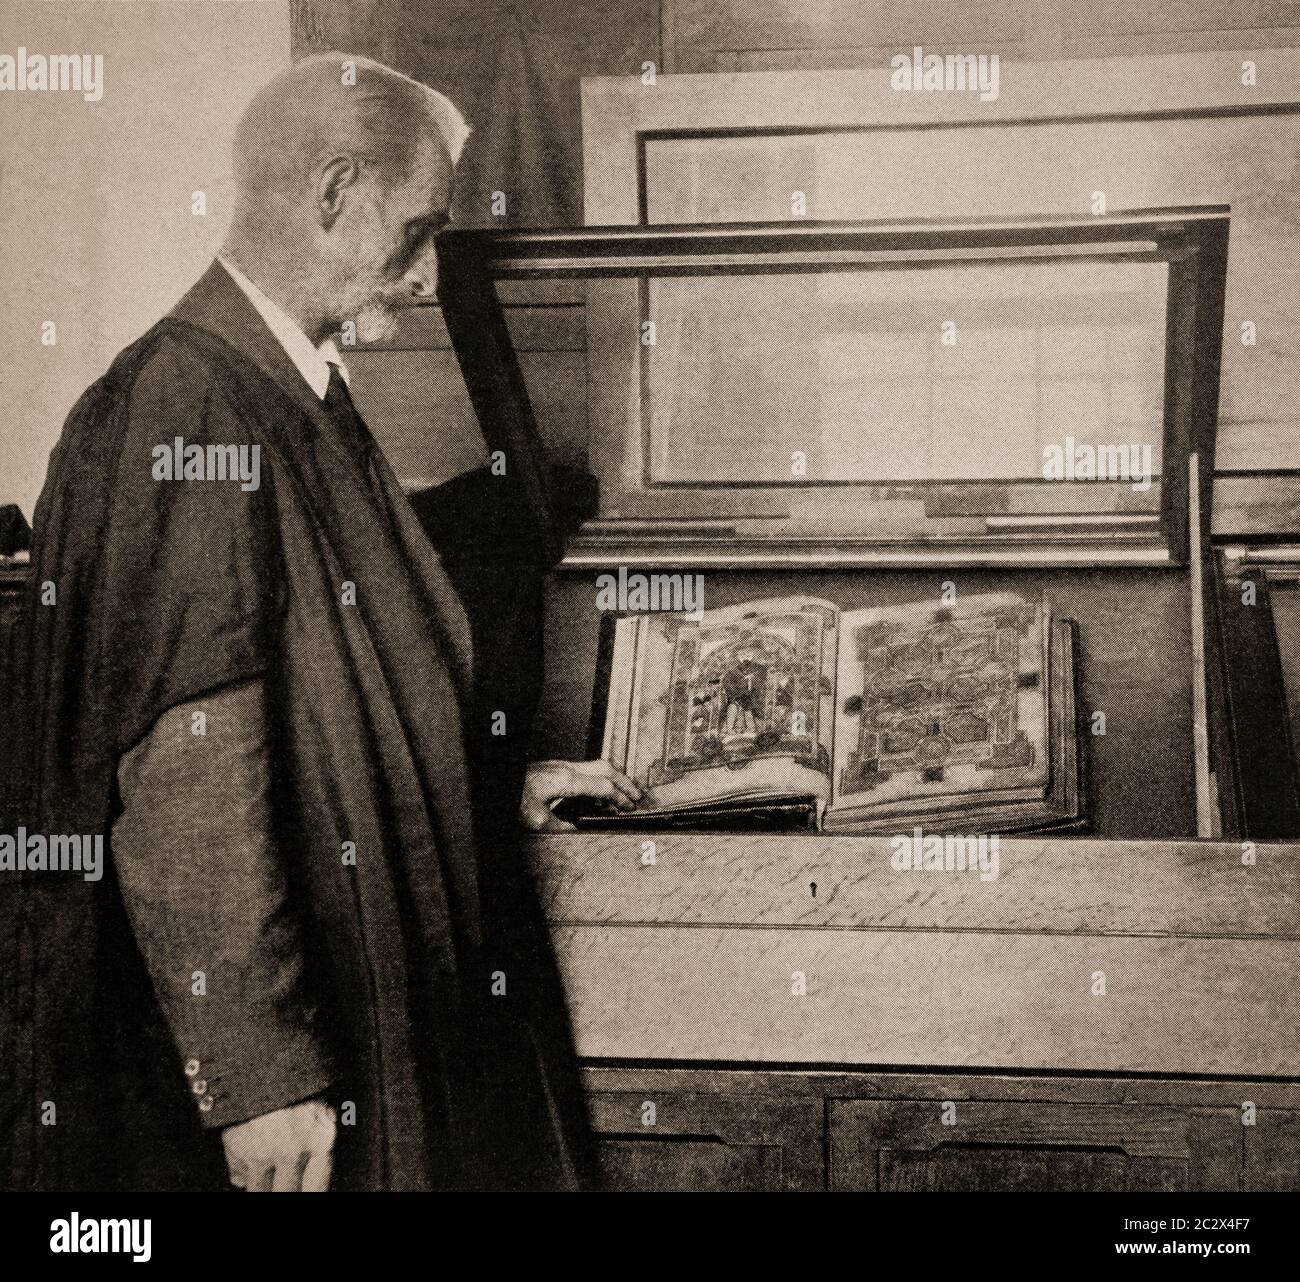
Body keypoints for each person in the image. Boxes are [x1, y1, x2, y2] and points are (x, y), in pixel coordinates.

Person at [1, 52, 639, 1193]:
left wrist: (491, 779)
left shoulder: (287, 384)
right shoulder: (188, 402)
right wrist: (255, 1075)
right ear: (335, 192)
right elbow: (187, 772)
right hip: (284, 1065)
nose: (430, 271)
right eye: (417, 229)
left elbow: (337, 687)